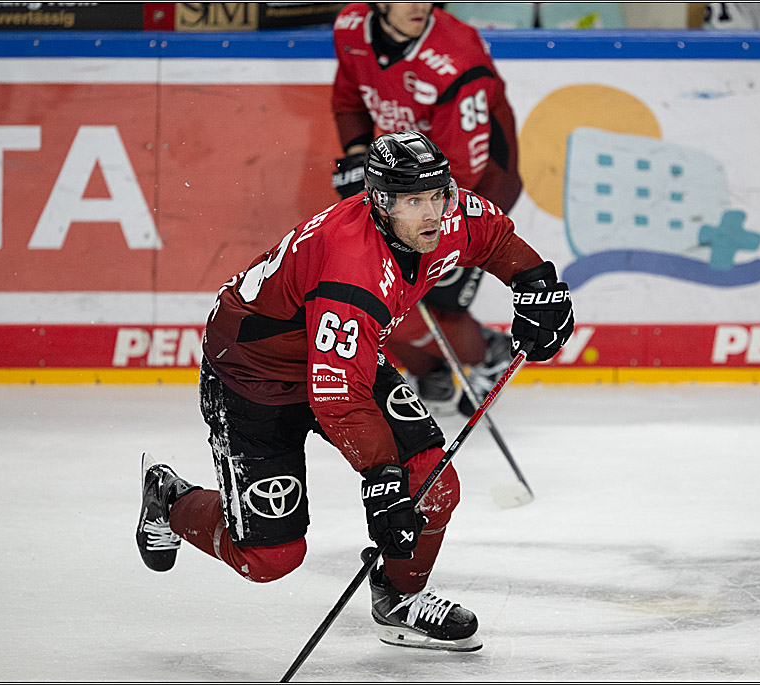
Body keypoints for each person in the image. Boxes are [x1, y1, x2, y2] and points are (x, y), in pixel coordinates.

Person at [135, 131, 573, 652]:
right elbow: (338, 397)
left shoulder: (444, 214)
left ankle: (399, 598)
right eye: (415, 201)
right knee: (269, 559)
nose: (433, 213)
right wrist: (381, 479)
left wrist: (536, 282)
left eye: (438, 194)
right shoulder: (352, 270)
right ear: (381, 204)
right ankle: (171, 500)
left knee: (434, 486)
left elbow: (495, 239)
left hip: (345, 355)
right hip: (254, 375)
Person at [330, 2, 524, 414]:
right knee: (379, 283)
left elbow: (465, 169)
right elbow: (350, 101)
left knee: (441, 295)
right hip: (409, 179)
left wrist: (401, 199)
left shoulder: (457, 57)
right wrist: (360, 158)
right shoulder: (350, 28)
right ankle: (429, 369)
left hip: (480, 181)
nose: (419, 5)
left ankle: (489, 354)